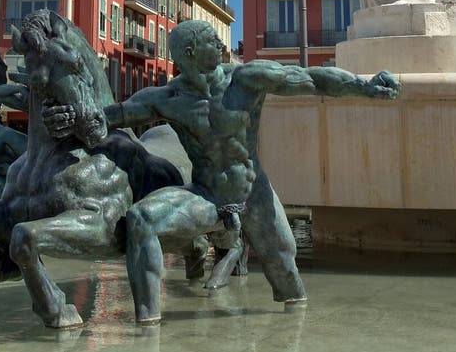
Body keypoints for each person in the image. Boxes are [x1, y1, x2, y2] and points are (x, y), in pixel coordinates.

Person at [44, 19, 399, 324]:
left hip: (253, 194)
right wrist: (65, 119)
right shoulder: (166, 98)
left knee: (286, 272)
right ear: (190, 53)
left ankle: (293, 332)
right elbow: (106, 117)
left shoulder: (247, 79)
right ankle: (147, 325)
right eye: (213, 40)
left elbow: (311, 79)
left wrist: (363, 86)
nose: (222, 44)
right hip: (207, 195)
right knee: (140, 220)